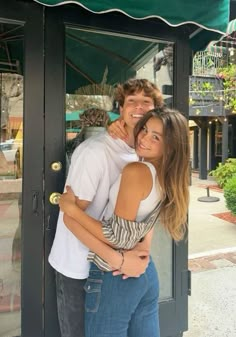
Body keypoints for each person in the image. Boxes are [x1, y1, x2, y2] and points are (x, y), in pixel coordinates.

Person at [59, 107, 190, 337]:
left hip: (115, 278)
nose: (144, 138)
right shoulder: (167, 176)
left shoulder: (137, 170)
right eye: (145, 130)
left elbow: (117, 235)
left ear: (170, 147)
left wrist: (72, 212)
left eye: (156, 137)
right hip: (144, 273)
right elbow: (142, 225)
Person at [48, 78, 164, 337]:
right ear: (120, 109)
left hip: (112, 271)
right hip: (78, 266)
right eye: (131, 101)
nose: (138, 107)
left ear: (156, 110)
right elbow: (70, 216)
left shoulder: (144, 152)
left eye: (146, 102)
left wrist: (142, 253)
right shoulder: (95, 152)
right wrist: (119, 260)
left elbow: (148, 212)